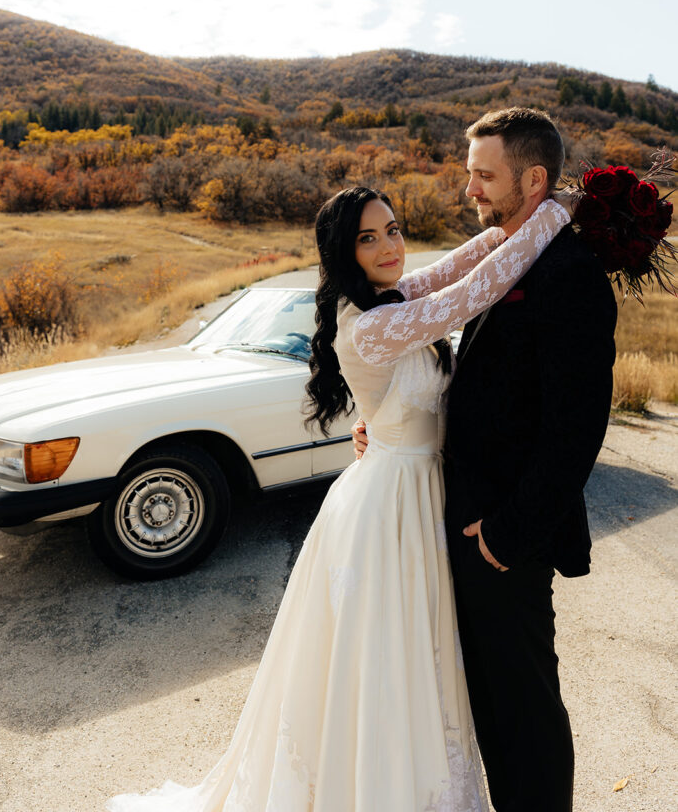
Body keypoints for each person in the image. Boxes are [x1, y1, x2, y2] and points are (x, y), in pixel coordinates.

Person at [107, 180, 569, 812]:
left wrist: (520, 219)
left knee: (422, 655)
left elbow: (462, 262)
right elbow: (470, 292)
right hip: (388, 506)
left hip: (417, 487)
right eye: (368, 238)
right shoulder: (373, 325)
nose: (389, 247)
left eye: (395, 230)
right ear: (342, 252)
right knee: (381, 654)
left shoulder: (392, 296)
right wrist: (558, 213)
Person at [355, 107, 618, 812]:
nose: (468, 189)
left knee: (523, 705)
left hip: (503, 535)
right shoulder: (508, 256)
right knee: (485, 701)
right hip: (459, 519)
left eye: (483, 175)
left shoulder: (568, 273)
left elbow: (576, 430)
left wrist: (506, 537)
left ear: (532, 179)